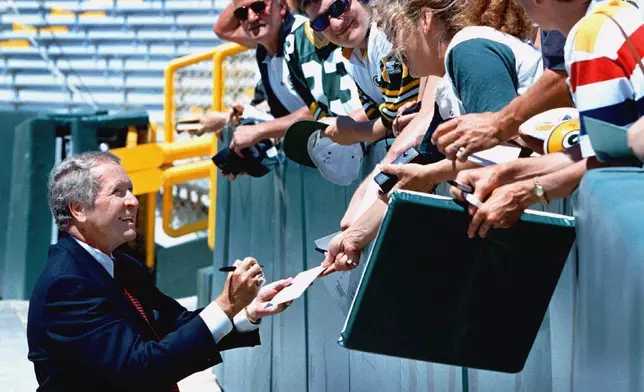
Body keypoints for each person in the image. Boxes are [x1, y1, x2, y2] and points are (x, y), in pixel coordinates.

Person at [27, 151, 293, 392]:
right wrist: (225, 305)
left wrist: (245, 310)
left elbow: (175, 326)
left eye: (130, 190)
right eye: (118, 192)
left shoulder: (122, 265)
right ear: (78, 209)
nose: (133, 201)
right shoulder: (66, 285)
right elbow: (140, 369)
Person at [320, 0, 543, 274]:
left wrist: (432, 175)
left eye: (395, 33)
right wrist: (353, 237)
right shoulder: (448, 81)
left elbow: (507, 152)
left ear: (425, 20)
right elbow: (415, 173)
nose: (395, 50)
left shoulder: (470, 49)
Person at [449, 0, 644, 238]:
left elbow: (615, 163)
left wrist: (526, 192)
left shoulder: (591, 38)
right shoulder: (622, 14)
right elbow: (603, 152)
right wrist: (503, 174)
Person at [212, 0, 313, 156]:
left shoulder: (305, 37)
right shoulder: (263, 52)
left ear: (282, 7)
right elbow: (281, 119)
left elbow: (325, 110)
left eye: (259, 7)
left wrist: (260, 131)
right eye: (242, 13)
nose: (251, 18)